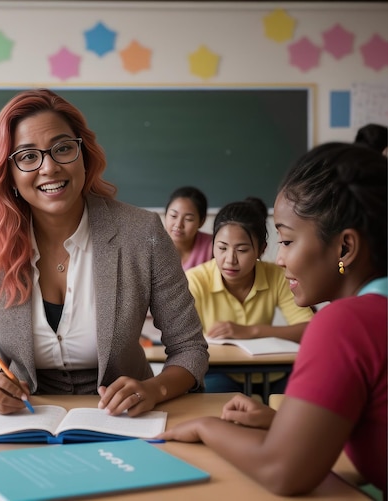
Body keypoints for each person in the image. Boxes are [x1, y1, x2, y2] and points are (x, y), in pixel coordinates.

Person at [0, 88, 208, 417]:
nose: (49, 168)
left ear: (83, 155)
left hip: (125, 417)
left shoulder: (142, 233)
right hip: (24, 417)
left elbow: (190, 348)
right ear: (9, 172)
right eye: (28, 156)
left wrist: (153, 389)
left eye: (62, 149)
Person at [157, 143, 386, 498]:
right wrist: (283, 424)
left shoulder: (346, 323)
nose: (280, 259)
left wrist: (205, 427)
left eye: (288, 240)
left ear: (344, 249)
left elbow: (283, 472)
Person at [186, 196, 313, 395]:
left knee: (307, 393)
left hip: (273, 372)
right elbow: (183, 344)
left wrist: (250, 331)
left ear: (261, 250)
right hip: (217, 372)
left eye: (242, 250)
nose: (230, 260)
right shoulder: (195, 281)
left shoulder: (278, 276)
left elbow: (310, 329)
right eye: (221, 248)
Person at [164, 186, 213, 270]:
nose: (178, 225)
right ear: (165, 215)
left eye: (188, 219)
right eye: (173, 216)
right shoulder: (151, 246)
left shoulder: (213, 246)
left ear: (202, 221)